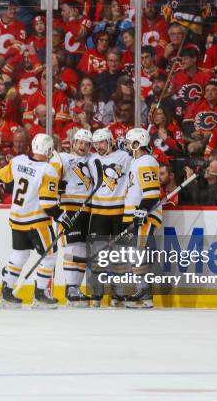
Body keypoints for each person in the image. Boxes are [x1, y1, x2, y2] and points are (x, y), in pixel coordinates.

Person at [0, 134, 66, 309]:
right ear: (49, 150)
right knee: (50, 255)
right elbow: (48, 204)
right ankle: (40, 295)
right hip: (36, 222)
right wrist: (63, 216)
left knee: (19, 255)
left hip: (17, 219)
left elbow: (0, 177)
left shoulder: (18, 161)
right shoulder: (48, 170)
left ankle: (6, 294)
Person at [87, 128, 132, 307]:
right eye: (96, 143)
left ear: (110, 141)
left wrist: (129, 144)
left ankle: (118, 295)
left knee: (119, 257)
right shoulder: (91, 160)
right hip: (98, 213)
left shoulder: (125, 157)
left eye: (102, 142)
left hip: (119, 213)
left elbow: (141, 154)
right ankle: (96, 296)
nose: (98, 146)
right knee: (97, 257)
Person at [53, 129, 95, 307]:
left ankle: (75, 288)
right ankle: (71, 288)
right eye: (80, 142)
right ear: (73, 143)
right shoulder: (62, 158)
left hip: (88, 209)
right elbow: (50, 177)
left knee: (83, 251)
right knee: (73, 248)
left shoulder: (93, 159)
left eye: (86, 143)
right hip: (68, 208)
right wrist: (57, 187)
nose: (83, 146)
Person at [121, 128, 162, 308]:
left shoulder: (146, 161)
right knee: (135, 253)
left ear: (138, 144)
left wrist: (142, 211)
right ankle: (142, 291)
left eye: (130, 142)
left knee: (139, 253)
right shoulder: (136, 161)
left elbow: (152, 194)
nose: (128, 145)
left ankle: (144, 293)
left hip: (144, 214)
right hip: (135, 213)